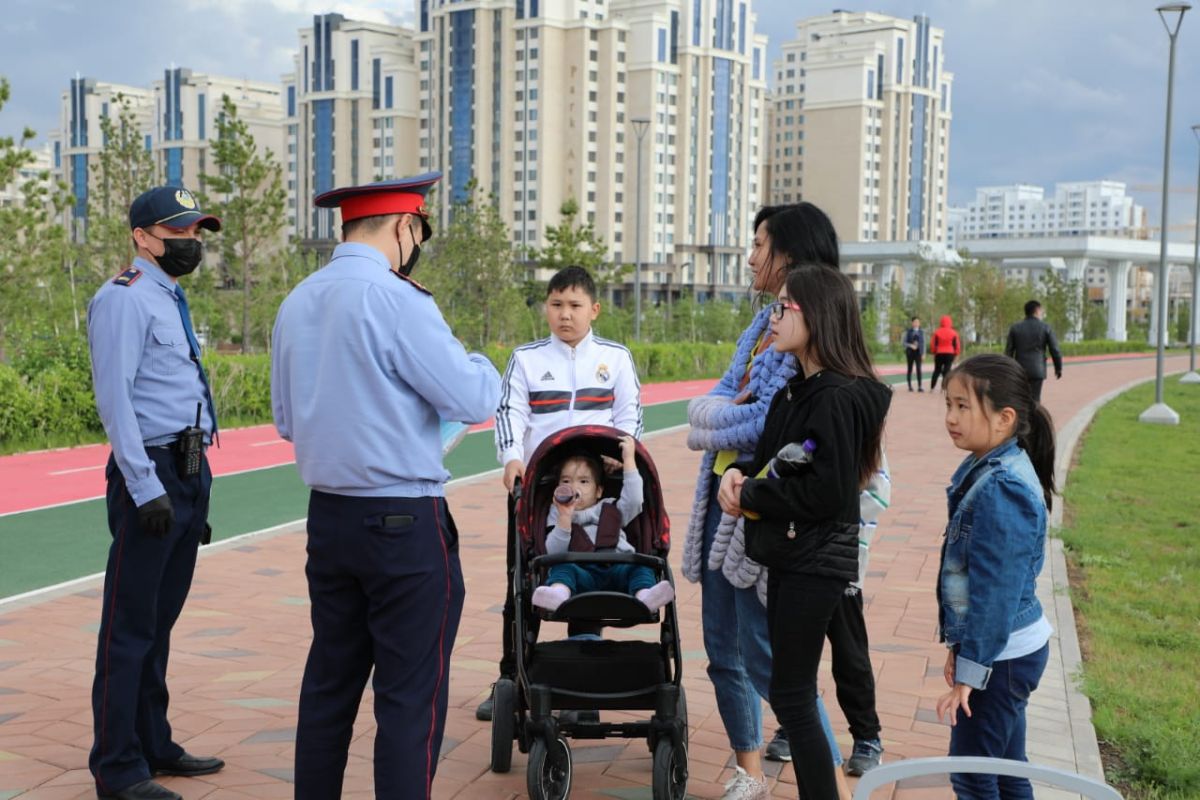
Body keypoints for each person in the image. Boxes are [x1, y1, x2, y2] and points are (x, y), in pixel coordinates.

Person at [270, 173, 501, 799]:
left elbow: (287, 421)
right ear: (405, 227)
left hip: (329, 520)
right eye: (418, 233)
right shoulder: (398, 301)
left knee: (329, 687)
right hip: (402, 523)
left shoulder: (297, 301)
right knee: (408, 700)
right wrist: (481, 362)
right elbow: (473, 396)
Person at [682, 204, 858, 800]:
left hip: (764, 514)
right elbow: (722, 402)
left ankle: (831, 782)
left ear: (788, 253)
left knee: (769, 659)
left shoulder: (804, 333)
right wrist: (724, 413)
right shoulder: (762, 327)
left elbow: (764, 424)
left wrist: (721, 415)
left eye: (759, 244)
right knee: (721, 648)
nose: (751, 256)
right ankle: (749, 772)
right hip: (723, 501)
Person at [719, 264, 891, 800]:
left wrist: (750, 495)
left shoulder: (834, 397)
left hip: (815, 558)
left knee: (791, 694)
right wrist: (739, 477)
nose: (773, 317)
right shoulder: (802, 388)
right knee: (790, 691)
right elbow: (780, 465)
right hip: (798, 555)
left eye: (784, 307)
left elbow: (827, 493)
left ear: (815, 316)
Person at [86, 186, 225, 800]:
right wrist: (145, 488)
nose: (191, 242)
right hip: (153, 473)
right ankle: (118, 768)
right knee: (129, 627)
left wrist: (194, 481)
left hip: (188, 468)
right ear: (143, 236)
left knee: (159, 622)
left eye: (196, 232)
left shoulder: (170, 297)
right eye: (180, 232)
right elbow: (115, 402)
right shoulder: (123, 300)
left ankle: (153, 742)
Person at [476, 264, 642, 721]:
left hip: (598, 490)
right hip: (539, 490)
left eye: (574, 306)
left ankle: (583, 682)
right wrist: (511, 457)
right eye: (555, 305)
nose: (564, 315)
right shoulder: (527, 358)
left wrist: (620, 454)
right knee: (524, 582)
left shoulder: (616, 357)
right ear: (546, 308)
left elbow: (629, 417)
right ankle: (512, 678)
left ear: (594, 309)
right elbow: (510, 412)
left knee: (590, 572)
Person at [936, 354, 1056, 799]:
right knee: (1005, 769)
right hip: (1005, 653)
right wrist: (963, 649)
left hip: (1003, 658)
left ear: (1005, 419)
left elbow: (995, 597)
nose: (951, 417)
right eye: (948, 404)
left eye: (963, 406)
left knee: (972, 774)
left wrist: (972, 671)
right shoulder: (990, 466)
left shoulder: (1002, 485)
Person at [532, 436, 675, 612]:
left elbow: (635, 499)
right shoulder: (557, 512)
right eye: (566, 481)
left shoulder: (611, 507)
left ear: (599, 490)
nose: (574, 487)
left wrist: (629, 460)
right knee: (562, 568)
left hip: (618, 569)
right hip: (581, 575)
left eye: (583, 481)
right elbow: (553, 552)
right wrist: (564, 519)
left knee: (640, 568)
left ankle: (645, 596)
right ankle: (558, 594)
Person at [1005, 300, 1063, 402]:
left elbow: (1008, 352)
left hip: (1020, 370)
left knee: (1021, 398)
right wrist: (1058, 368)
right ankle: (1035, 417)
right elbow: (1055, 350)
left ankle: (1023, 417)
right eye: (1041, 311)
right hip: (1037, 370)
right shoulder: (1045, 327)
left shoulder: (1015, 328)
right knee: (1035, 399)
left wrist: (1008, 371)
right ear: (1036, 311)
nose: (1042, 313)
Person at [929, 314, 962, 391]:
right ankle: (944, 387)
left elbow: (933, 344)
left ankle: (932, 387)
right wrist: (956, 353)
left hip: (939, 353)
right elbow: (957, 344)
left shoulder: (937, 332)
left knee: (937, 370)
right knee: (947, 370)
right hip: (949, 353)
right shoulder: (954, 333)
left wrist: (934, 352)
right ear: (950, 322)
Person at [903, 316, 925, 392]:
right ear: (912, 323)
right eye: (915, 322)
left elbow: (923, 343)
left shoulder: (921, 332)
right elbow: (904, 343)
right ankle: (909, 386)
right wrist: (911, 345)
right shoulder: (908, 331)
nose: (916, 323)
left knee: (919, 369)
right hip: (910, 353)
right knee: (910, 369)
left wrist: (923, 353)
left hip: (918, 353)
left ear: (919, 323)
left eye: (918, 322)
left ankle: (920, 386)